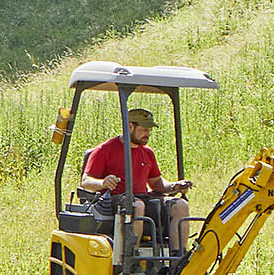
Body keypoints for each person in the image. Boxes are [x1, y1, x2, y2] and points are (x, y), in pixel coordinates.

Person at [81, 107, 195, 252]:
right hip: (116, 200)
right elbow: (86, 182)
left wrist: (174, 186)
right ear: (130, 126)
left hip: (143, 198)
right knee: (137, 206)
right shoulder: (105, 150)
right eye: (144, 130)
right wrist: (103, 183)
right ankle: (131, 257)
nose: (148, 134)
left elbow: (156, 184)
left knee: (180, 205)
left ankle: (178, 258)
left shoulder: (147, 152)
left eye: (149, 131)